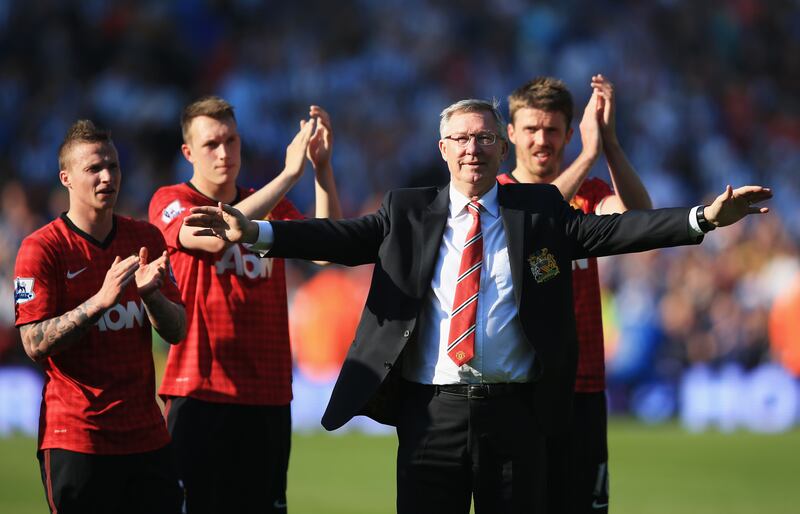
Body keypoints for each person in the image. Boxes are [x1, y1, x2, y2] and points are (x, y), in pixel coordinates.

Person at [184, 99, 771, 513]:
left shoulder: (538, 211)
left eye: (485, 138)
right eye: (462, 139)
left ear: (500, 146)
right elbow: (338, 240)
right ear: (443, 150)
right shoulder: (408, 210)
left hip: (516, 415)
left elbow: (621, 233)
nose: (474, 149)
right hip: (428, 415)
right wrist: (254, 231)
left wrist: (703, 219)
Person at [148, 96, 341, 513]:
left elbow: (326, 248)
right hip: (198, 390)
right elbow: (219, 235)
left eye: (232, 141)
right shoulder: (170, 200)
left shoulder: (268, 202)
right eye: (211, 144)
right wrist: (290, 174)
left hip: (267, 393)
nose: (225, 153)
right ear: (188, 153)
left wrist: (321, 169)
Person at [14, 120, 187, 514]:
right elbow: (32, 342)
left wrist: (151, 297)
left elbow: (177, 330)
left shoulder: (146, 239)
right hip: (77, 438)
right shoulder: (41, 249)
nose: (107, 175)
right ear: (67, 178)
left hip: (147, 438)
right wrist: (99, 302)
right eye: (94, 168)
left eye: (113, 166)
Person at [501, 74, 651, 512]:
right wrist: (587, 154)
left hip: (584, 384)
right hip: (520, 386)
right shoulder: (499, 196)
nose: (541, 140)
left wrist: (610, 145)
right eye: (531, 129)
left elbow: (641, 219)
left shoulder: (591, 195)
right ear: (511, 134)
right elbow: (534, 225)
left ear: (569, 132)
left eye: (551, 129)